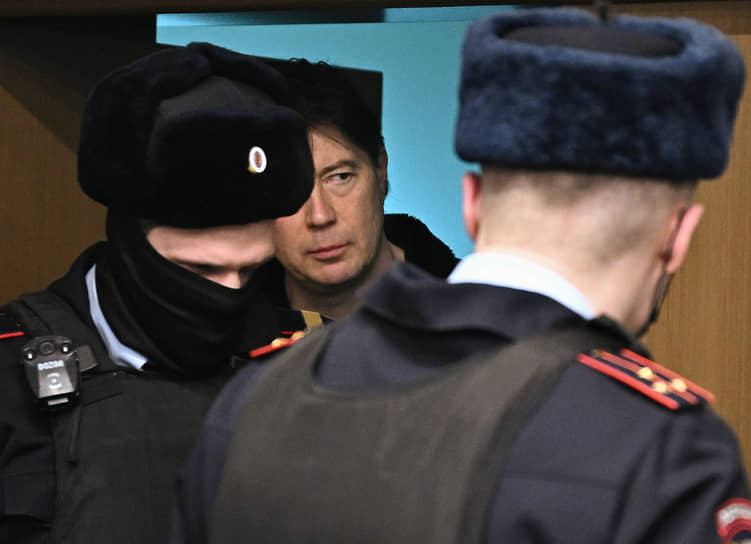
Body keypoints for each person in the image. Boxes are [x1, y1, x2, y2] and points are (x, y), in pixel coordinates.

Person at [171, 7, 751, 544]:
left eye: (340, 178)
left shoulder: (258, 396)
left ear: (471, 202)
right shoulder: (660, 449)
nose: (319, 215)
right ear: (678, 237)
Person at [0, 41, 314, 543]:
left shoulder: (314, 364)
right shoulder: (8, 372)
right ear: (129, 241)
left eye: (253, 269)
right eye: (200, 269)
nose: (229, 291)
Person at [243, 59, 457, 355]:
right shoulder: (222, 338)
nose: (320, 216)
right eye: (288, 187)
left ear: (380, 168)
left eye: (340, 177)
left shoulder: (480, 314)